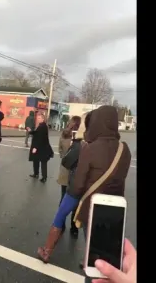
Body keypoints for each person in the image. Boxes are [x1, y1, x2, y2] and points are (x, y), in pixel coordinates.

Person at [70, 106, 132, 275]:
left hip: (93, 205)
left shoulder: (89, 149)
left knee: (92, 244)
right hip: (116, 207)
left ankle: (90, 264)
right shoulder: (124, 149)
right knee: (109, 245)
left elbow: (78, 186)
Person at [36, 112, 91, 263]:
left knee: (62, 210)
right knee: (87, 220)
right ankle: (89, 257)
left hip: (74, 182)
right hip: (92, 187)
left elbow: (66, 160)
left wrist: (70, 149)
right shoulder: (104, 145)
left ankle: (47, 251)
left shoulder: (80, 143)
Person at [57, 115, 82, 236]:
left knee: (63, 198)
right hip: (77, 172)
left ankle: (60, 225)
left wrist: (65, 158)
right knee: (76, 201)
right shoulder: (82, 137)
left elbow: (60, 150)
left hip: (65, 170)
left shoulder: (64, 134)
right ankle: (74, 228)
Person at [28, 113, 54, 182]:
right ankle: (36, 173)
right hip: (40, 147)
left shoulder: (43, 126)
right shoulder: (41, 125)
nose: (38, 119)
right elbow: (36, 133)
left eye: (39, 118)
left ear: (43, 119)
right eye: (37, 118)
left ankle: (44, 177)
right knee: (36, 160)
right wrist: (30, 131)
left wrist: (35, 147)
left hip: (42, 148)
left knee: (43, 162)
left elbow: (40, 138)